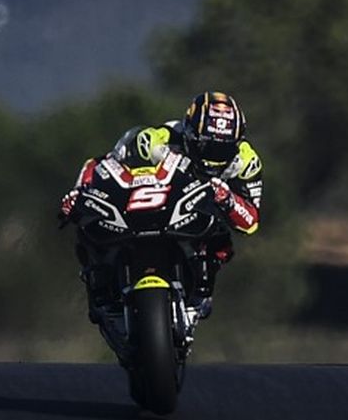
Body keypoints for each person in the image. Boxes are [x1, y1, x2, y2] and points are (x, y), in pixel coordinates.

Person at [59, 91, 263, 321]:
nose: (212, 157)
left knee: (221, 238)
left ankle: (200, 292)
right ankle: (101, 284)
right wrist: (81, 192)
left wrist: (229, 200)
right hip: (160, 204)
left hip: (200, 212)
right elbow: (107, 162)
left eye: (222, 149)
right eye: (205, 146)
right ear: (189, 133)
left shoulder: (247, 162)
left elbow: (251, 221)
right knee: (89, 227)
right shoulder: (163, 137)